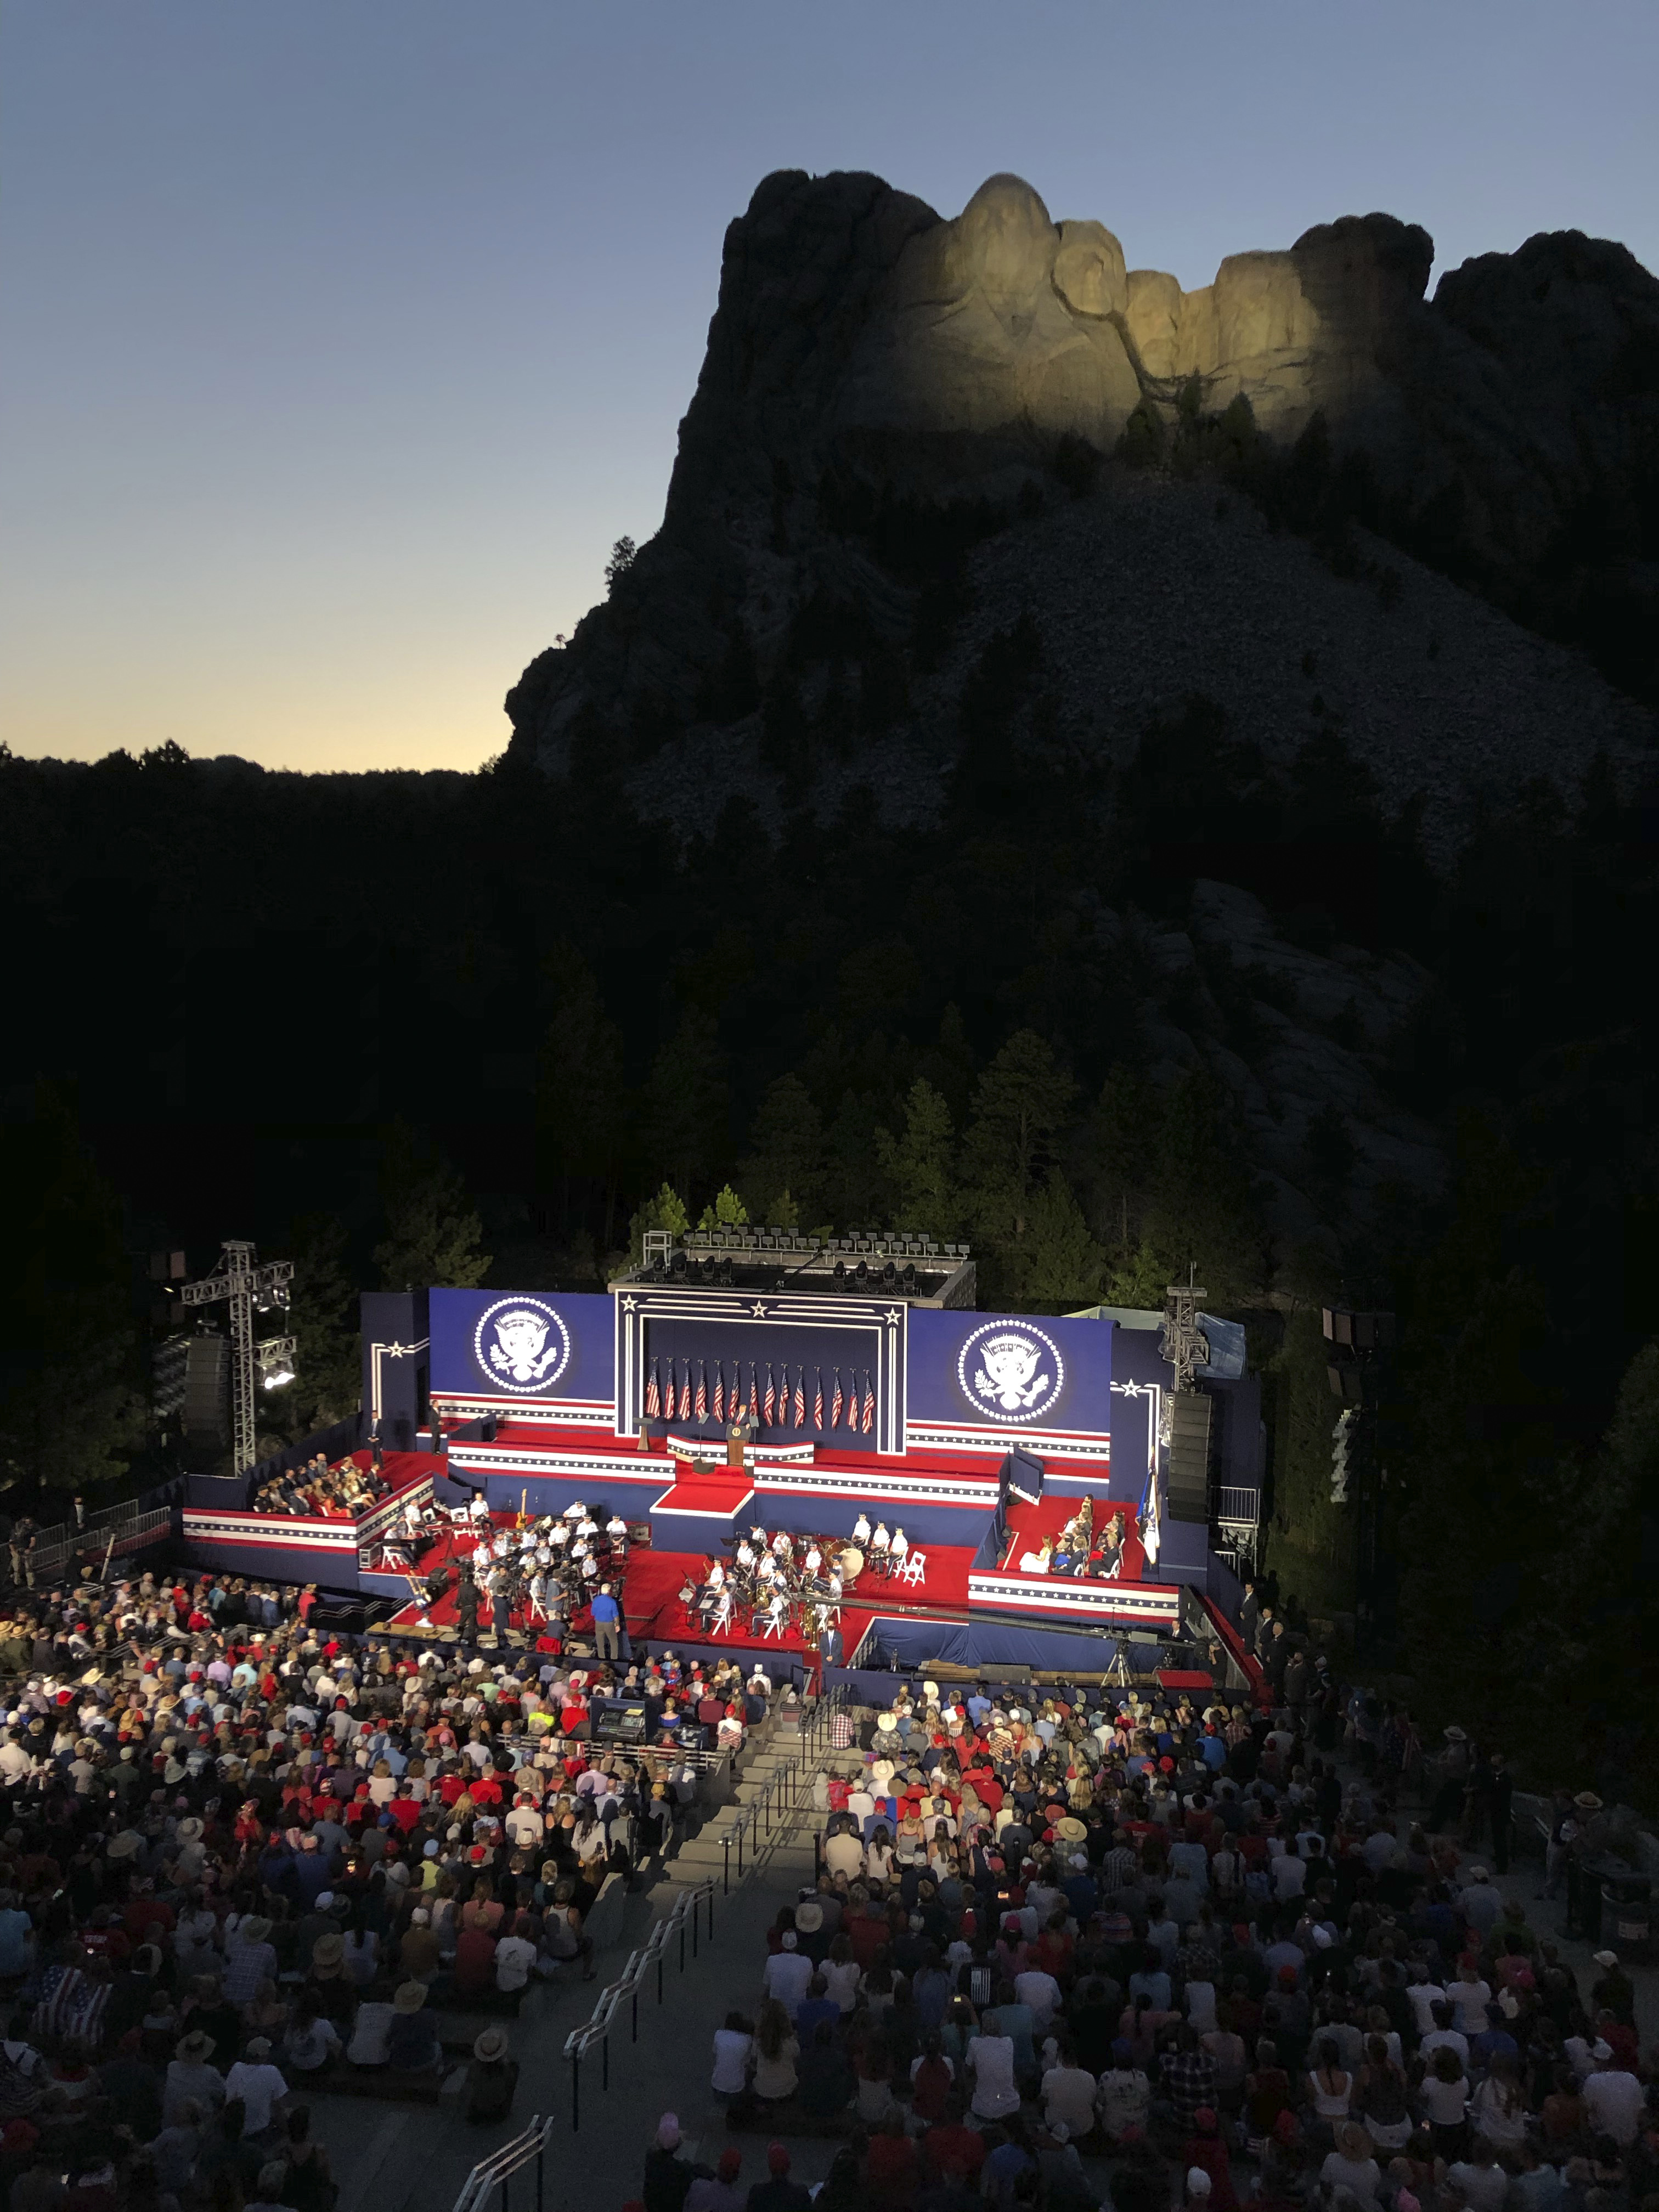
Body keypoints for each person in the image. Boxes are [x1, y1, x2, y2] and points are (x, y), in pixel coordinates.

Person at [465, 2027, 518, 2124]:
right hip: (497, 2113)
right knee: (515, 2070)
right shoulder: (507, 2069)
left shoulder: (473, 2066)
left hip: (477, 2110)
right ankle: (507, 2109)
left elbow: (471, 2084)